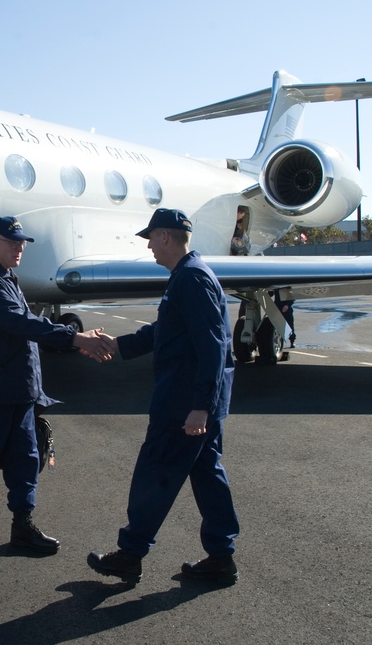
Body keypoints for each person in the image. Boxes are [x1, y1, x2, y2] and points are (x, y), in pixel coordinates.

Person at [87, 208, 240, 584]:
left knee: (154, 473)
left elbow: (213, 346)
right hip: (197, 402)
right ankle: (221, 557)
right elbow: (165, 331)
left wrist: (200, 407)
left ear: (166, 237)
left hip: (184, 405)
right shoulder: (187, 276)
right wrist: (117, 345)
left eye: (151, 238)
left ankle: (130, 553)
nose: (149, 246)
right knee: (207, 477)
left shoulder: (191, 279)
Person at [0, 216, 111, 554]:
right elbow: (20, 322)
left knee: (27, 456)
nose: (20, 246)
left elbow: (28, 325)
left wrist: (71, 341)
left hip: (20, 388)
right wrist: (76, 337)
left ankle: (22, 525)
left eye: (22, 241)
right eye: (12, 241)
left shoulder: (6, 277)